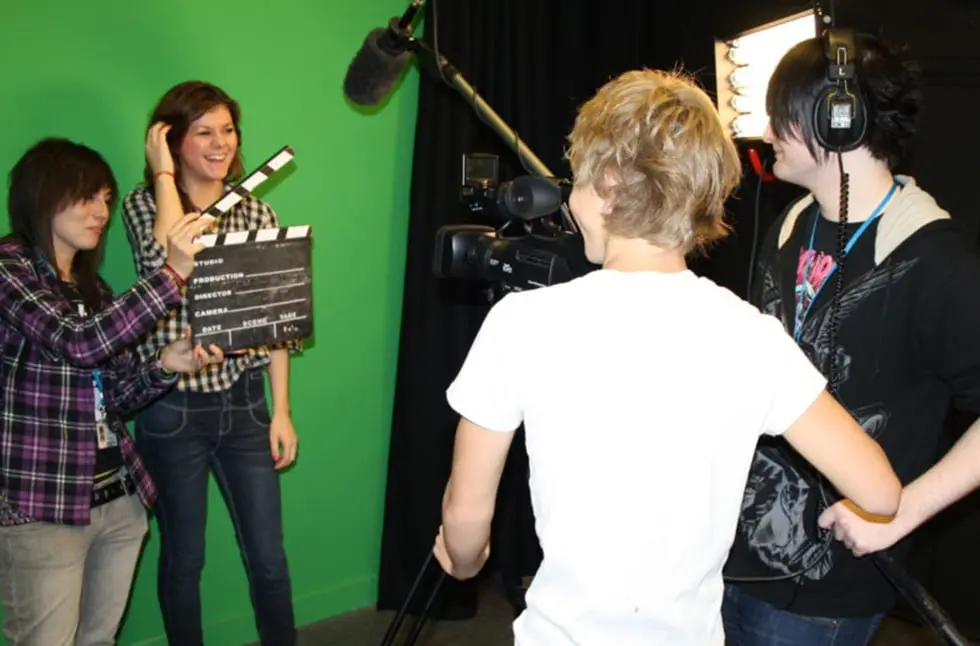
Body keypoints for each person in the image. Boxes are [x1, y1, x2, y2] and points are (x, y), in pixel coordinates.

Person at [428, 68, 903, 646]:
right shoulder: (753, 338)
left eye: (576, 182)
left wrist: (465, 556)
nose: (571, 203)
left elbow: (465, 520)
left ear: (606, 183)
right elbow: (880, 492)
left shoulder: (520, 325)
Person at [721, 31, 980, 646]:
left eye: (781, 111)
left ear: (840, 120)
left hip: (823, 594)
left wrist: (900, 514)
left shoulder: (936, 260)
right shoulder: (791, 224)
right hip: (730, 563)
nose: (767, 128)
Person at [0, 137, 220, 646]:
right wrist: (173, 272)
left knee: (98, 639)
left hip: (118, 497)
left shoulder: (90, 287)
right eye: (86, 197)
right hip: (43, 504)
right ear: (42, 196)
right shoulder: (9, 268)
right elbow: (77, 343)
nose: (101, 211)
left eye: (104, 197)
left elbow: (116, 395)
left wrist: (167, 364)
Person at [120, 80, 301, 646]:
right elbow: (164, 257)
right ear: (172, 140)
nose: (220, 143)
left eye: (227, 130)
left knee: (269, 557)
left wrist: (281, 411)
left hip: (245, 404)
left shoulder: (256, 208)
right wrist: (163, 177)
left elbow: (276, 315)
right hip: (171, 409)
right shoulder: (143, 203)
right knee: (184, 559)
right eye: (203, 131)